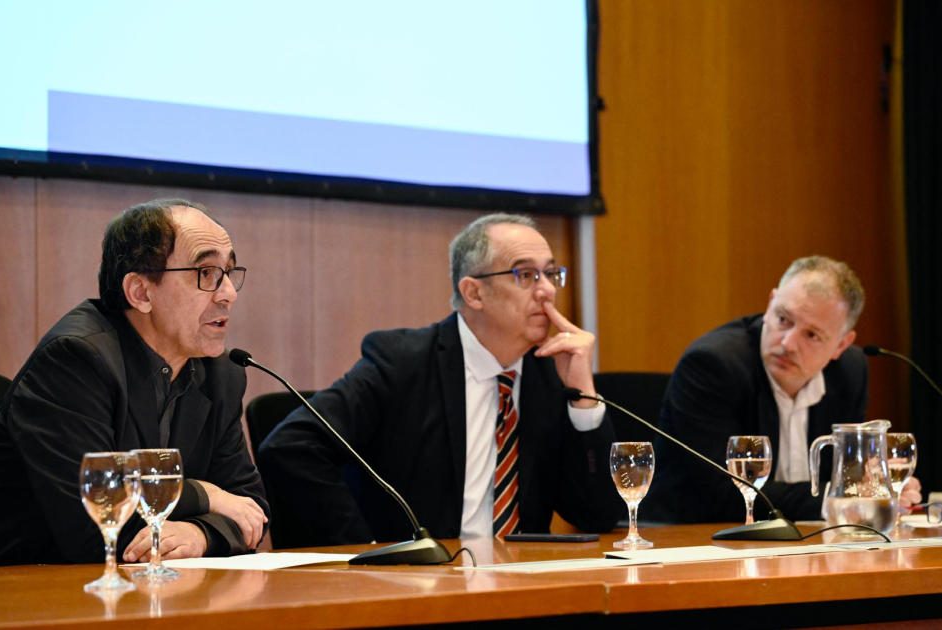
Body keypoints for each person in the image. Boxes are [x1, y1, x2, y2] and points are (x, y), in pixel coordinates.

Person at [259, 214, 622, 546]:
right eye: (525, 275)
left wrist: (583, 399)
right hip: (415, 590)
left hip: (523, 587)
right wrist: (361, 550)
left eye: (550, 274)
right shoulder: (403, 363)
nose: (546, 291)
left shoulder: (552, 372)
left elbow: (597, 514)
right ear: (473, 293)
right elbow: (291, 448)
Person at [0, 199, 268, 566]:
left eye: (229, 273)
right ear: (141, 292)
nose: (229, 294)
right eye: (206, 273)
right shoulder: (75, 360)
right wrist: (206, 496)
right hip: (41, 596)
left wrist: (200, 534)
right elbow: (100, 526)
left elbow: (252, 511)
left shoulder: (220, 374)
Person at [645, 256, 922, 523]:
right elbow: (729, 493)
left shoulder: (850, 372)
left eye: (811, 335)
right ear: (770, 305)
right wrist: (841, 498)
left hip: (807, 541)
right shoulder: (712, 366)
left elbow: (851, 472)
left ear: (840, 345)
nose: (788, 343)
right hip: (696, 541)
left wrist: (880, 488)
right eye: (783, 319)